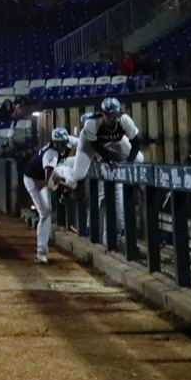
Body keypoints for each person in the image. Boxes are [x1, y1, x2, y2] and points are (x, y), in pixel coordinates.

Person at [52, 97, 144, 191]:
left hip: (115, 140)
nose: (113, 118)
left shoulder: (125, 120)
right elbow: (97, 147)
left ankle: (75, 161)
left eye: (115, 115)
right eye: (110, 116)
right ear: (103, 114)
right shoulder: (91, 123)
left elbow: (136, 143)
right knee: (78, 175)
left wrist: (129, 161)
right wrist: (109, 158)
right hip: (90, 144)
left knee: (139, 159)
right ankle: (60, 170)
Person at [23, 128, 74, 264]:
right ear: (54, 143)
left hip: (43, 177)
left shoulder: (67, 144)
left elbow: (79, 143)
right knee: (45, 213)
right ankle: (41, 252)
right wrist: (69, 187)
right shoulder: (51, 153)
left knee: (71, 168)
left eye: (63, 142)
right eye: (59, 143)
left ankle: (41, 251)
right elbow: (49, 180)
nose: (62, 146)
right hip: (34, 180)